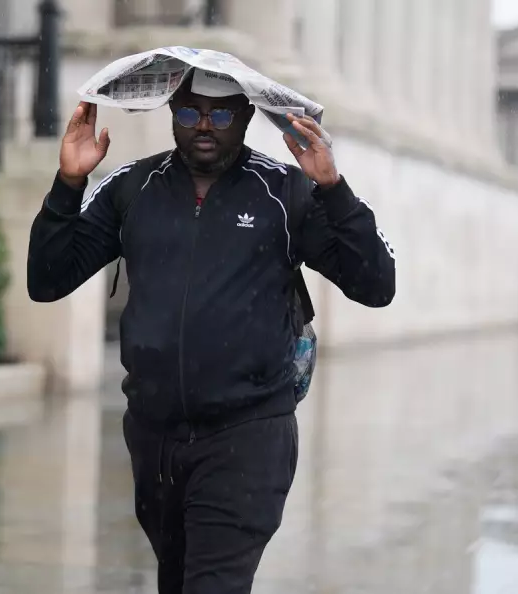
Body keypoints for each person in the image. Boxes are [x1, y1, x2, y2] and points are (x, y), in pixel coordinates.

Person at [27, 74, 396, 593]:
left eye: (220, 116)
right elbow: (46, 280)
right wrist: (68, 184)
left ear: (245, 118)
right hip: (154, 439)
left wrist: (333, 189)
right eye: (189, 113)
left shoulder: (286, 191)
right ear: (171, 111)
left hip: (247, 437)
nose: (204, 126)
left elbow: (376, 284)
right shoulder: (133, 186)